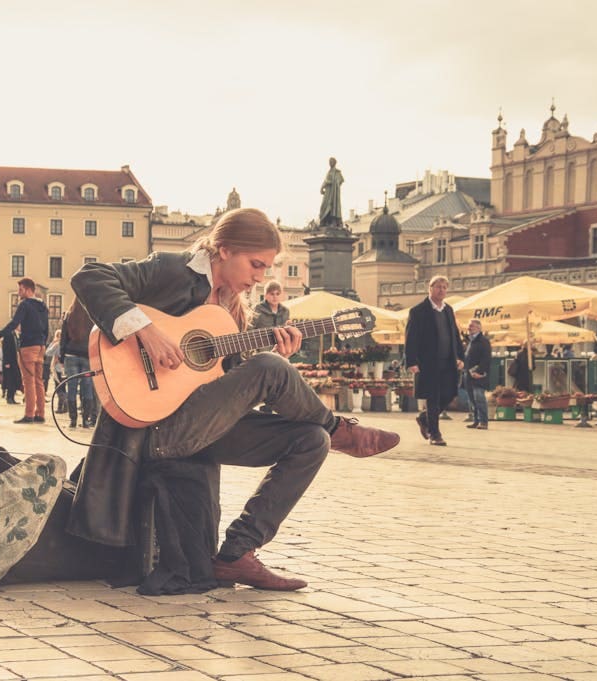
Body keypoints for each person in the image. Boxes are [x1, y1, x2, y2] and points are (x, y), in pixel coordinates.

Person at [69, 207, 399, 591]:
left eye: (266, 269)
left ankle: (237, 554)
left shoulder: (233, 312)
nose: (260, 277)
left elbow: (225, 385)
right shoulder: (172, 270)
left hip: (198, 427)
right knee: (268, 368)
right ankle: (343, 430)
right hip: (153, 430)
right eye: (256, 264)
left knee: (311, 440)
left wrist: (278, 358)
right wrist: (146, 331)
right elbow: (89, 276)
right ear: (224, 250)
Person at [404, 275, 463, 446]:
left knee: (450, 393)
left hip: (448, 361)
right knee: (433, 397)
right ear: (430, 288)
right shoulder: (418, 311)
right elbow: (411, 338)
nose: (441, 290)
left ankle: (424, 418)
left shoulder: (448, 310)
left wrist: (460, 356)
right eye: (438, 287)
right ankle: (435, 434)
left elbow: (455, 336)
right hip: (428, 362)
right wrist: (412, 361)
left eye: (444, 287)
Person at [0, 278, 49, 424]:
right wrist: (42, 343)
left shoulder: (25, 305)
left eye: (20, 290)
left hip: (28, 346)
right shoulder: (43, 306)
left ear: (28, 290)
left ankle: (29, 415)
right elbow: (47, 329)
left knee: (28, 381)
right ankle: (40, 414)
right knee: (39, 381)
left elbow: (14, 324)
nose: (18, 293)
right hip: (40, 346)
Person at [251, 280, 290, 413]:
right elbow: (250, 329)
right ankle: (264, 409)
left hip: (280, 350)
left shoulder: (285, 311)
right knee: (264, 381)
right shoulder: (257, 309)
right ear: (266, 295)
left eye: (278, 294)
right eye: (272, 293)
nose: (275, 296)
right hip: (261, 351)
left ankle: (271, 408)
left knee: (278, 380)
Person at [59, 300, 96, 429]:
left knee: (72, 388)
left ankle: (73, 420)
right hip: (87, 356)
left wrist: (61, 356)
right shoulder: (93, 313)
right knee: (87, 388)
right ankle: (86, 420)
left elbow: (63, 338)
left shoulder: (69, 315)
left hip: (71, 355)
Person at [463, 319, 491, 430]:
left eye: (472, 326)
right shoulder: (471, 341)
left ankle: (483, 422)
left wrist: (478, 371)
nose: (469, 328)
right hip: (468, 375)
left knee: (479, 398)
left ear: (479, 328)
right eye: (469, 326)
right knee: (471, 399)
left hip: (479, 375)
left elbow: (486, 359)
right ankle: (476, 420)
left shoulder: (483, 341)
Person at [318, 157, 344, 228]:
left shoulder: (337, 172)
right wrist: (322, 187)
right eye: (329, 162)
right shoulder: (329, 172)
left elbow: (341, 180)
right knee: (323, 206)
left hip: (334, 193)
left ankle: (333, 221)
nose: (330, 163)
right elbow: (325, 181)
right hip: (328, 192)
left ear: (334, 163)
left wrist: (335, 183)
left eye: (331, 162)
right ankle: (325, 221)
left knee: (333, 206)